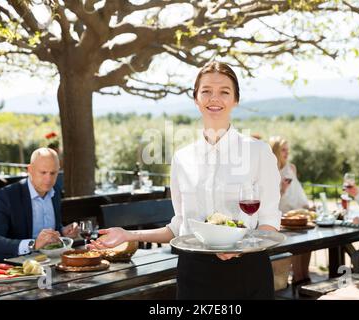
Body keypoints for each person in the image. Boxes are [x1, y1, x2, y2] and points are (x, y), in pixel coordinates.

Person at [89, 61, 282, 299]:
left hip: (247, 273)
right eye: (206, 91)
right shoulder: (183, 158)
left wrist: (240, 249)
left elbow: (269, 222)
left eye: (224, 92)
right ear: (196, 99)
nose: (215, 98)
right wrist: (130, 235)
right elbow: (178, 227)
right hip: (194, 275)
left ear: (236, 100)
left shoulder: (258, 152)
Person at [0, 148, 79, 262]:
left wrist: (62, 231)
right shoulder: (6, 196)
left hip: (49, 262)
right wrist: (33, 244)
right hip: (13, 266)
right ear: (30, 169)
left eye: (53, 173)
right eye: (43, 172)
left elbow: (52, 226)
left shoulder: (55, 191)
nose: (48, 179)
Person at [269, 136, 312, 288]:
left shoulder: (291, 168)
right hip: (282, 219)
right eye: (283, 150)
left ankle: (302, 279)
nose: (287, 153)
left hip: (297, 215)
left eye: (288, 150)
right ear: (275, 151)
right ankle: (297, 282)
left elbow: (298, 191)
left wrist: (307, 206)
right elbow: (269, 203)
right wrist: (281, 190)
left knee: (307, 245)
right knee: (293, 248)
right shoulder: (269, 171)